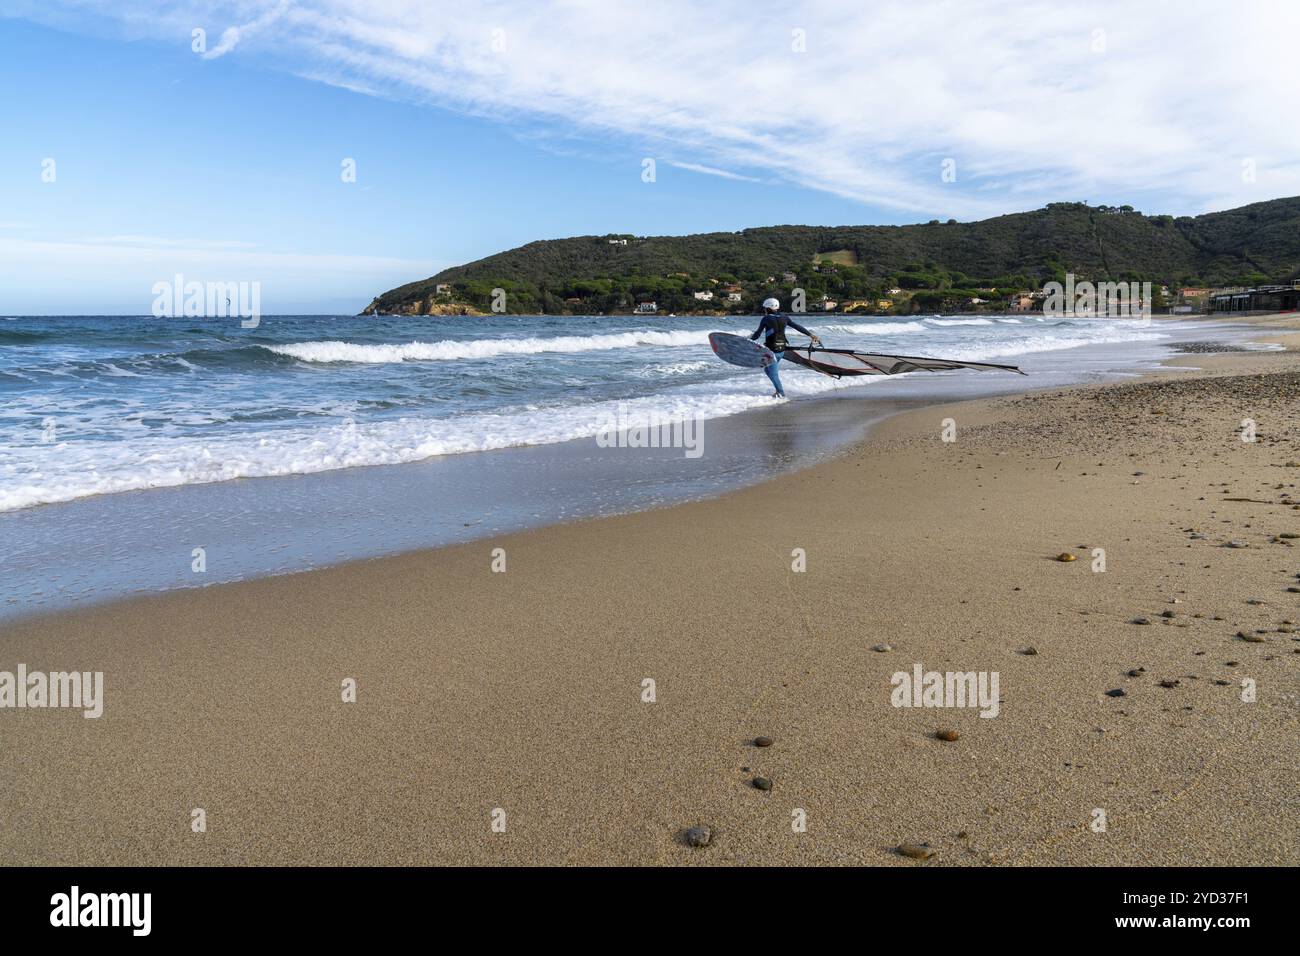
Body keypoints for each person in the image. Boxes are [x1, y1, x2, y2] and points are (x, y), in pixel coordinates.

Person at [749, 297, 820, 398]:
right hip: (781, 350)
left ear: (768, 308)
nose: (764, 310)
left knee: (773, 373)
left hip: (771, 352)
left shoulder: (766, 319)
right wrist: (810, 335)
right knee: (767, 370)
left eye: (765, 308)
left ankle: (781, 393)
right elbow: (797, 326)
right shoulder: (784, 317)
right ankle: (778, 391)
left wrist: (747, 341)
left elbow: (757, 335)